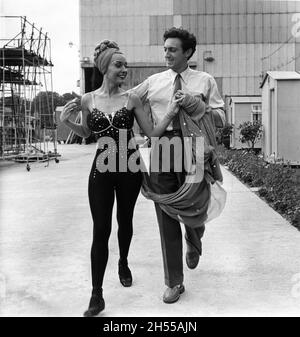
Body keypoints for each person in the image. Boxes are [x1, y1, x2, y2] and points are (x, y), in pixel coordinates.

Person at [60, 40, 183, 316]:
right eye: (119, 65)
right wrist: (67, 122)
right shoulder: (88, 99)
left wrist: (172, 112)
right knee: (100, 230)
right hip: (101, 171)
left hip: (129, 168)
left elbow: (151, 133)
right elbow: (85, 133)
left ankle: (124, 262)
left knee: (124, 222)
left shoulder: (132, 99)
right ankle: (96, 295)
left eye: (125, 65)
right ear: (105, 67)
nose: (124, 69)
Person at [133, 27, 226, 304]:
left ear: (187, 52)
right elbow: (126, 101)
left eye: (172, 49)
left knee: (196, 205)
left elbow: (221, 116)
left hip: (195, 148)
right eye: (165, 49)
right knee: (166, 212)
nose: (167, 54)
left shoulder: (205, 80)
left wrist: (198, 104)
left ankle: (194, 238)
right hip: (162, 147)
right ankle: (174, 281)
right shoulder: (153, 81)